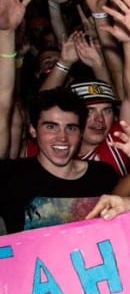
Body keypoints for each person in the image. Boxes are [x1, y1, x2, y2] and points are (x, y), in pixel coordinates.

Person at [1, 89, 117, 234]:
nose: (62, 137)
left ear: (81, 133)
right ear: (33, 129)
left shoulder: (103, 175)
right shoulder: (10, 176)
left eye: (71, 128)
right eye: (51, 127)